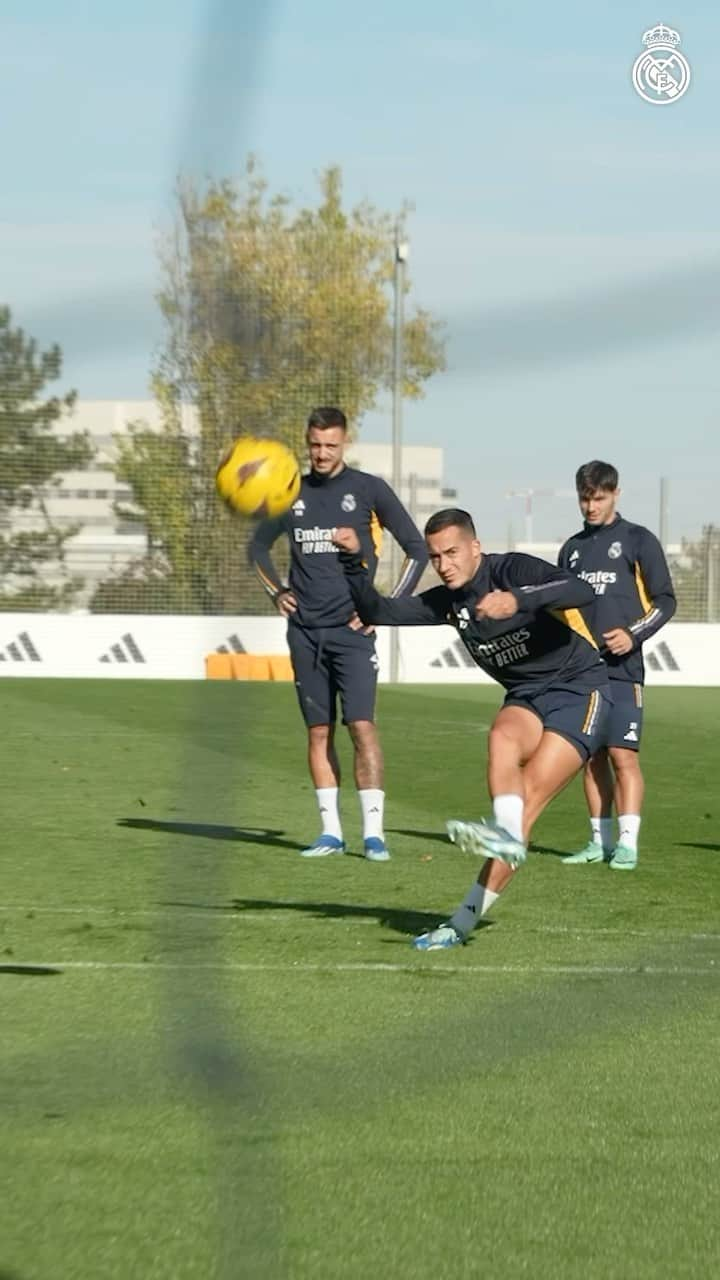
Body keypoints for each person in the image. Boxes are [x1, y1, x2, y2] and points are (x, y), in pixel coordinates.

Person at [332, 508, 610, 950]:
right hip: (527, 697)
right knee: (501, 736)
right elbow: (377, 609)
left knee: (530, 801)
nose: (444, 565)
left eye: (452, 552)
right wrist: (351, 560)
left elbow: (580, 590)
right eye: (436, 556)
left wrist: (517, 599)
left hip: (581, 691)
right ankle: (504, 835)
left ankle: (461, 921)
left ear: (476, 547)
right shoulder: (449, 602)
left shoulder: (511, 569)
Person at [249, 406, 427, 861]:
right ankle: (330, 832)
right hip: (305, 633)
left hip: (353, 633)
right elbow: (256, 548)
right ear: (306, 442)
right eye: (315, 445)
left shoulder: (368, 490)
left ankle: (374, 834)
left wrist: (381, 610)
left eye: (331, 445)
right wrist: (277, 593)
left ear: (345, 443)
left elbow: (417, 550)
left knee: (363, 727)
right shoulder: (289, 493)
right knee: (318, 732)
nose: (322, 453)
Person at [557, 461, 676, 870]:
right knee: (590, 758)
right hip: (581, 672)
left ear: (616, 494)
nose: (591, 506)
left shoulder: (638, 540)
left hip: (623, 670)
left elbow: (665, 601)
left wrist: (633, 634)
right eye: (585, 498)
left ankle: (628, 844)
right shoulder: (571, 549)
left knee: (623, 755)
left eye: (599, 498)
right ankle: (598, 842)